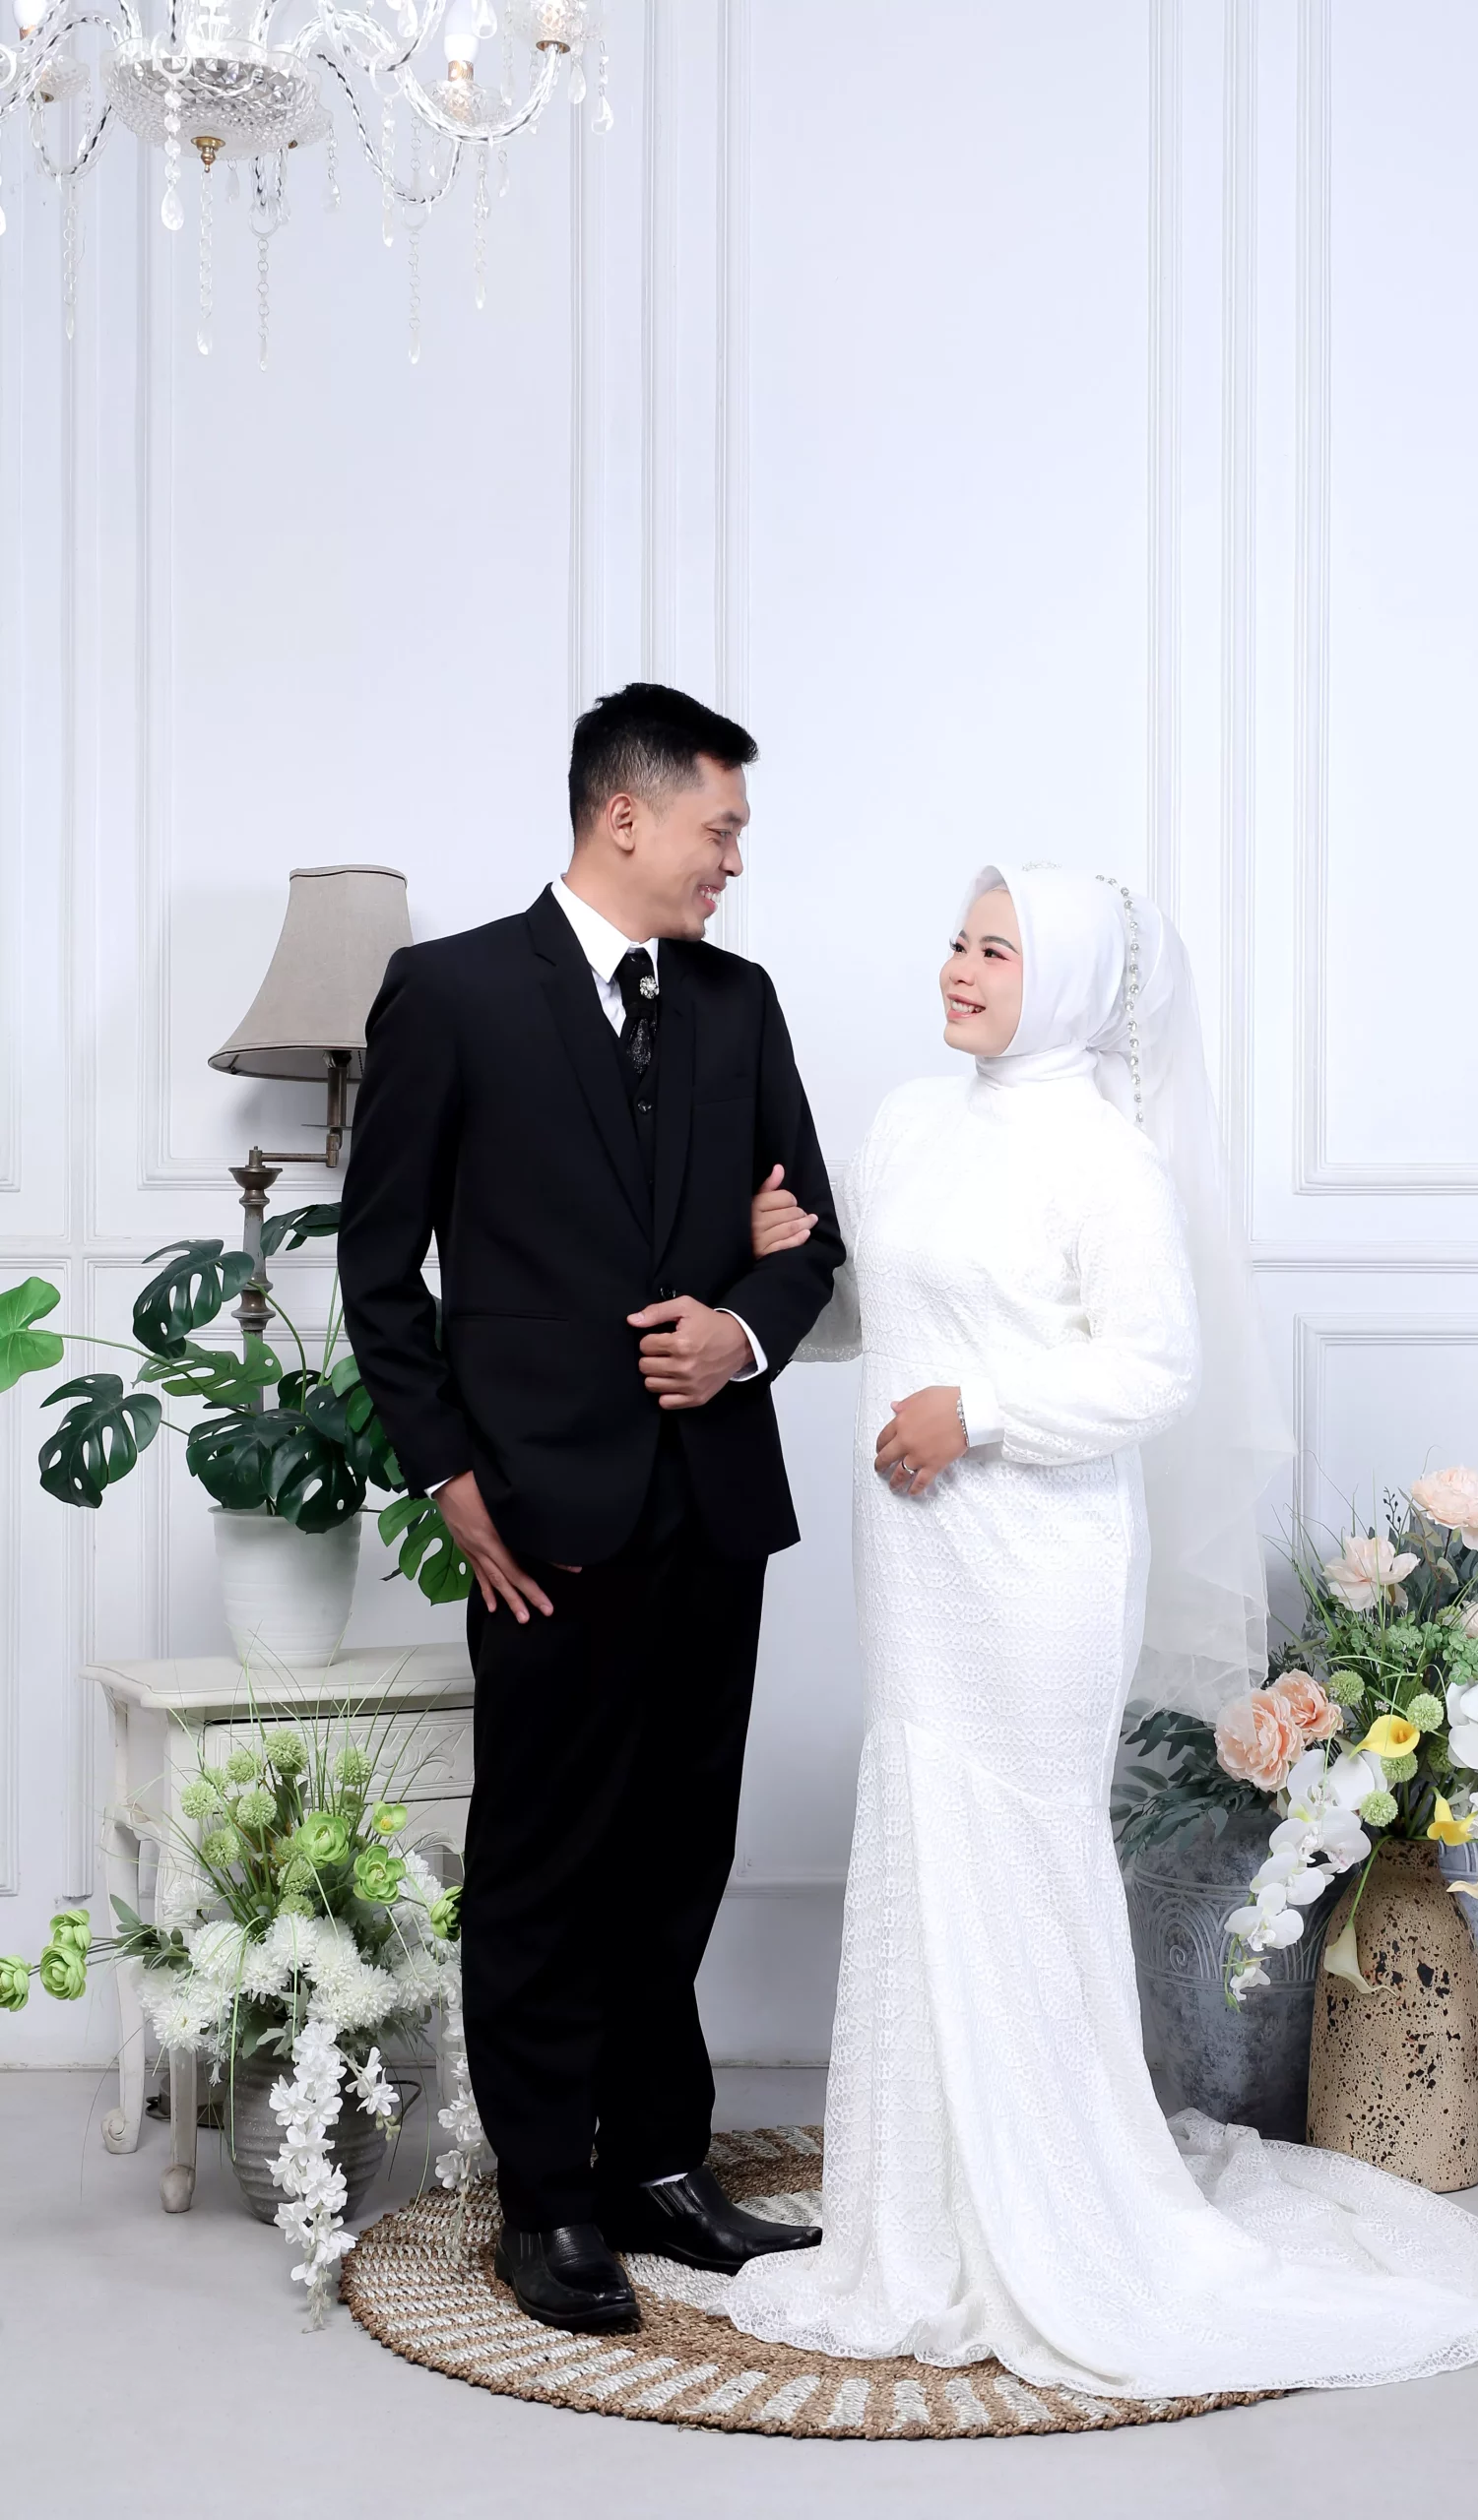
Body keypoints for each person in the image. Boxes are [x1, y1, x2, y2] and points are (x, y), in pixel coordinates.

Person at [724, 862, 1478, 2397]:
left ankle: (1055, 2207)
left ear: (1077, 982)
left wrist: (978, 1412)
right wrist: (783, 1260)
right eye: (956, 939)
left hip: (1035, 1559)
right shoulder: (905, 1123)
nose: (959, 966)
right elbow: (868, 1317)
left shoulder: (1103, 1156)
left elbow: (1154, 1369)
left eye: (997, 948)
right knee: (927, 1832)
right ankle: (920, 2215)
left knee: (1017, 1849)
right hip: (913, 1559)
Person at [338, 684, 842, 2336]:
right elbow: (377, 1267)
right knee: (544, 1861)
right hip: (537, 1514)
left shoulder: (739, 1003)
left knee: (680, 1850)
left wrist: (737, 1329)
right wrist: (449, 1479)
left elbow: (810, 1240)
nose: (733, 862)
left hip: (712, 1505)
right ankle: (549, 2197)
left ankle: (658, 2165)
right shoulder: (451, 992)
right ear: (624, 816)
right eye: (721, 828)